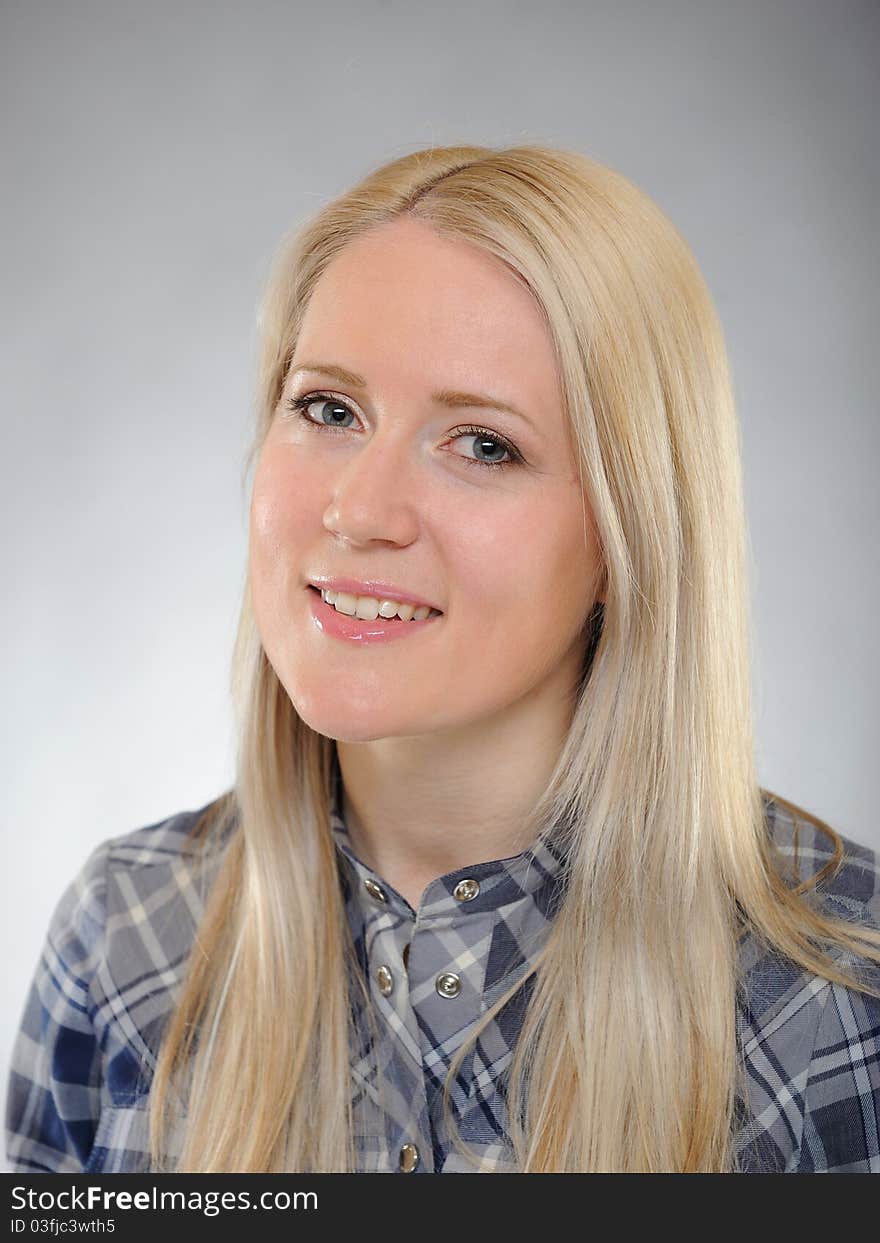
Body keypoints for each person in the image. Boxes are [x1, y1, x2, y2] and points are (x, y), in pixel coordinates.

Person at [6, 144, 880, 1175]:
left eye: (483, 444)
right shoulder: (127, 937)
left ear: (628, 535)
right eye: (329, 410)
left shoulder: (830, 1006)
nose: (359, 511)